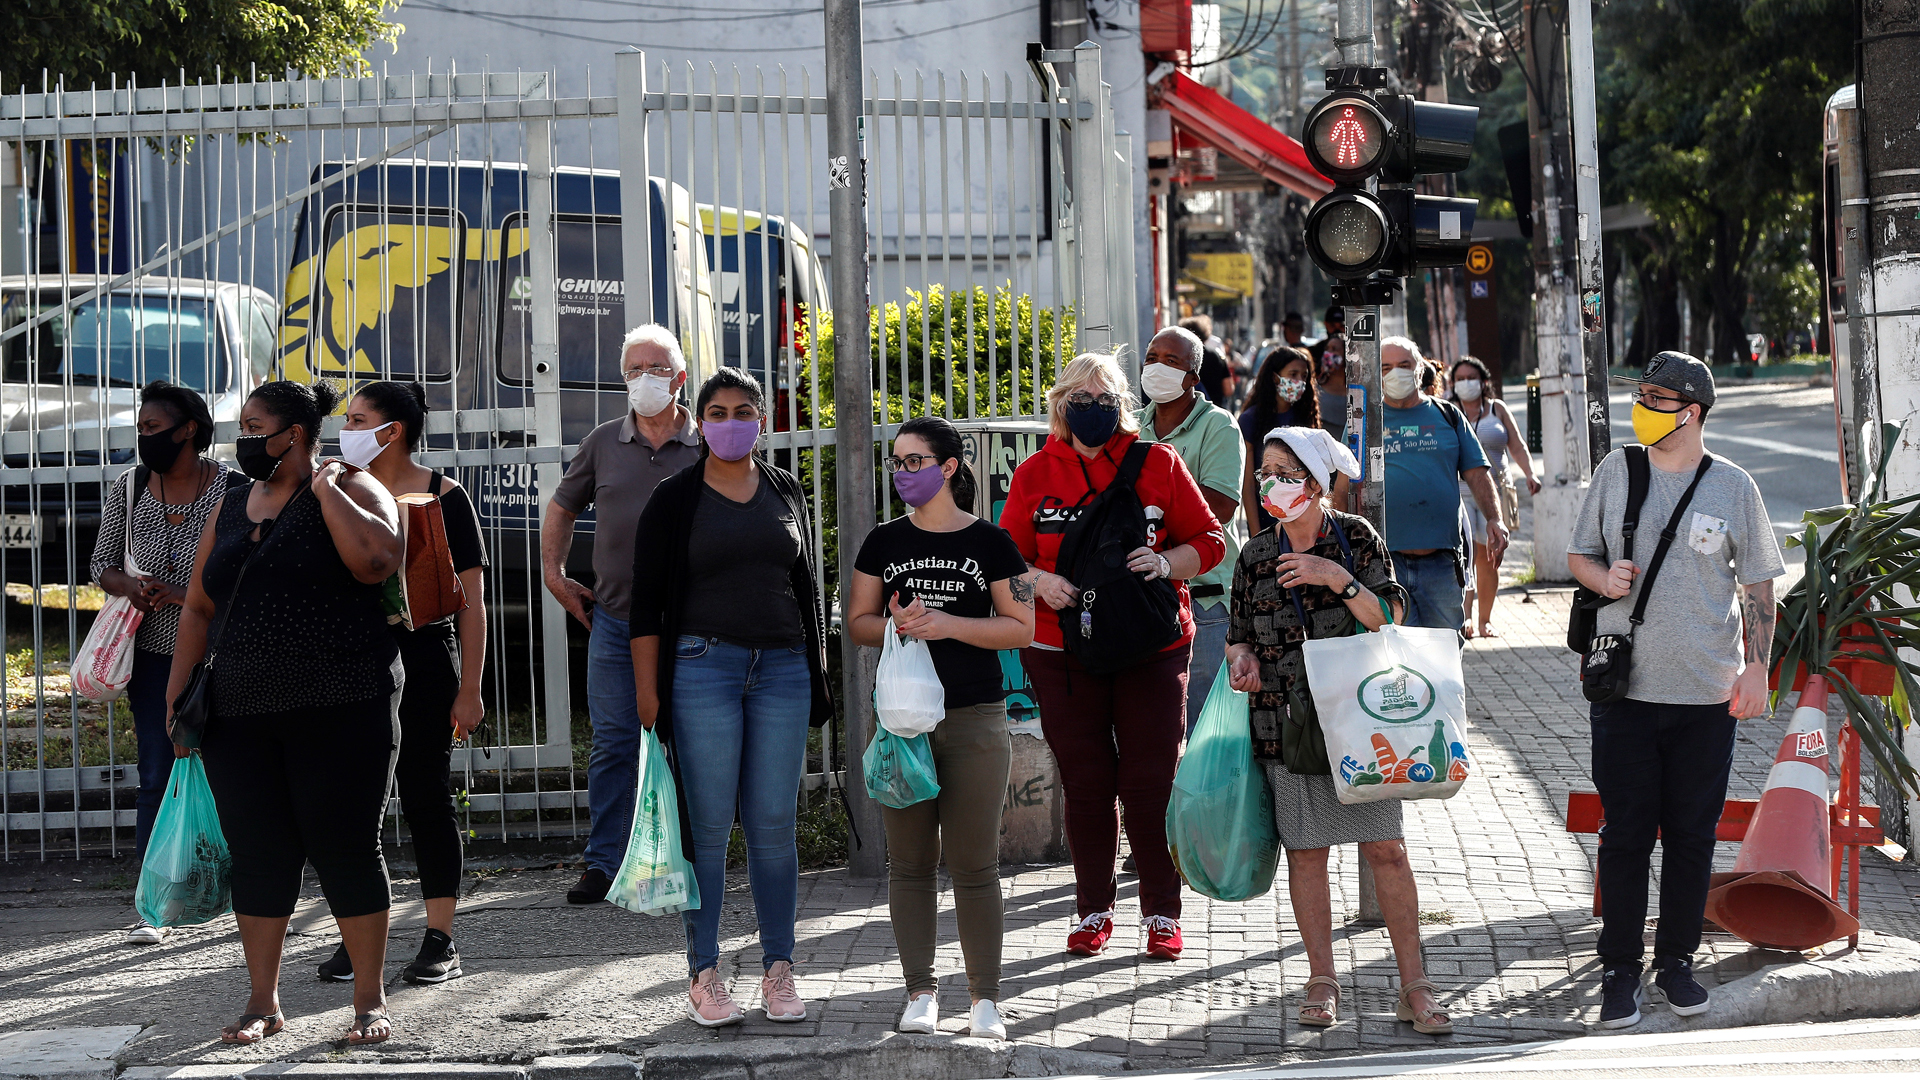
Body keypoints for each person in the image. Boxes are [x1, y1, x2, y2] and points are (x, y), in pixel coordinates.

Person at [166, 381, 406, 1045]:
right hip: (240, 714)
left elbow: (378, 560)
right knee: (261, 854)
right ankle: (263, 1002)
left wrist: (325, 490)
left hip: (342, 706)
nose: (241, 439)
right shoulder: (232, 502)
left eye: (253, 425)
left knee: (346, 849)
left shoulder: (355, 487)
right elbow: (198, 604)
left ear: (293, 434)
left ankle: (368, 1003)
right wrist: (177, 688)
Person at [1567, 352, 1784, 1029]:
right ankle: (1620, 971)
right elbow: (1579, 555)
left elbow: (1757, 587)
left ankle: (1677, 963)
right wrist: (1603, 582)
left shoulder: (1734, 487)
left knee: (1691, 836)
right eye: (1641, 394)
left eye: (1655, 397)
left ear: (1690, 410)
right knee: (1626, 834)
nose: (1643, 406)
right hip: (1624, 693)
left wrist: (1758, 668)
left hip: (1706, 697)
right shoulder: (1617, 471)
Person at [1225, 426, 1454, 1035]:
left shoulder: (1355, 538)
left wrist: (1335, 577)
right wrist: (1241, 662)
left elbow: (1392, 616)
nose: (1272, 483)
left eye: (1287, 472)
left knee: (1387, 849)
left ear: (1318, 483)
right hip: (1285, 721)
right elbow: (1238, 636)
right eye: (1266, 470)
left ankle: (1415, 985)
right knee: (1307, 851)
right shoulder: (1254, 554)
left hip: (1361, 720)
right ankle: (1322, 980)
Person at [999, 352, 1225, 961]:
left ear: (1122, 406)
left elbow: (1209, 540)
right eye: (1080, 398)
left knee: (1151, 782)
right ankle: (1093, 908)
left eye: (1104, 400)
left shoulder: (1158, 463)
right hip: (1061, 647)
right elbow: (1004, 560)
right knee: (1087, 784)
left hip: (1152, 647)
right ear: (1060, 406)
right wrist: (1039, 583)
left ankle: (1162, 913)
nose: (1092, 410)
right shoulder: (1035, 473)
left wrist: (1165, 563)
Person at [629, 367, 834, 1027]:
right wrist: (646, 696)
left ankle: (780, 969)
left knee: (774, 829)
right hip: (701, 668)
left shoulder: (785, 489)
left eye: (742, 410)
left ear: (762, 419)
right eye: (716, 411)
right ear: (699, 420)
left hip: (782, 669)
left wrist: (815, 667)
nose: (730, 422)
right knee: (710, 830)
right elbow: (644, 606)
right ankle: (705, 974)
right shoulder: (673, 498)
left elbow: (804, 585)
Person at [848, 416, 1035, 1042]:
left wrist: (947, 623)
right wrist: (899, 624)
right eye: (896, 463)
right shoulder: (882, 542)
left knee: (976, 864)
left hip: (976, 718)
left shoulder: (992, 542)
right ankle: (920, 991)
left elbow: (1021, 627)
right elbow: (857, 622)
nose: (902, 473)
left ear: (948, 467)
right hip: (904, 723)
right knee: (910, 864)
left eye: (913, 462)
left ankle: (986, 999)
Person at [312, 381, 488, 985]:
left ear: (393, 430)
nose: (346, 429)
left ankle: (440, 937)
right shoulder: (333, 490)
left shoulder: (446, 495)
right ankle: (356, 936)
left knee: (425, 796)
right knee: (350, 803)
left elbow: (471, 601)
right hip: (349, 660)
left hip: (425, 657)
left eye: (359, 419)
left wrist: (471, 685)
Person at [542, 324, 701, 904]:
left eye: (654, 369)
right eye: (633, 370)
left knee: (689, 740)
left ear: (680, 379)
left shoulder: (706, 443)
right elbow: (562, 507)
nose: (643, 380)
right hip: (615, 619)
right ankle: (603, 863)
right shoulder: (604, 442)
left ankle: (687, 858)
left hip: (694, 624)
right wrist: (554, 576)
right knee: (613, 744)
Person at [91, 381, 238, 946]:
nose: (143, 437)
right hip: (153, 656)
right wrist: (130, 586)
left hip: (221, 653)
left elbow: (246, 569)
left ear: (189, 431)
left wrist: (186, 594)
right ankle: (154, 900)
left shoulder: (232, 489)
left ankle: (236, 886)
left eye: (153, 428)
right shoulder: (128, 488)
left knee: (232, 769)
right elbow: (101, 564)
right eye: (141, 428)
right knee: (157, 771)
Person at [1138, 326, 1245, 733]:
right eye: (1152, 358)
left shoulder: (1218, 426)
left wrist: (1149, 498)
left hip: (1205, 600)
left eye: (1172, 361)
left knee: (1203, 730)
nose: (1158, 368)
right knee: (1156, 728)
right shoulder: (1132, 428)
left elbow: (1217, 508)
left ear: (1193, 378)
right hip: (1145, 594)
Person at [1379, 336, 1506, 634]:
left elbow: (1477, 473)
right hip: (1384, 563)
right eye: (1385, 367)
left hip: (1442, 563)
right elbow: (1346, 485)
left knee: (1444, 653)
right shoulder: (1364, 420)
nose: (1394, 373)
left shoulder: (1447, 416)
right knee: (1395, 655)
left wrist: (1495, 518)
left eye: (1403, 365)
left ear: (1420, 369)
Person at [1447, 356, 1540, 639]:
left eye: (1470, 378)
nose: (1466, 383)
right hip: (1461, 493)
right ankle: (1465, 619)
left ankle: (1485, 620)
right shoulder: (1448, 410)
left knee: (1490, 557)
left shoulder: (1497, 409)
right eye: (1459, 379)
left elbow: (1518, 445)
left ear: (1484, 381)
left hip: (1497, 494)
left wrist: (1531, 474)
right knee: (1468, 556)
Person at [1240, 347, 1348, 533]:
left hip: (1305, 516)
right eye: (1293, 374)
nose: (1299, 381)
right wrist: (1255, 533)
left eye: (1304, 376)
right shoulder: (1251, 419)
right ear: (1275, 378)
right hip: (1267, 513)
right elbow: (1247, 484)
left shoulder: (1307, 415)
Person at [1181, 314, 1233, 406]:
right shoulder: (1217, 357)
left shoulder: (1178, 359)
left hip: (1186, 411)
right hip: (1214, 411)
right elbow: (1228, 389)